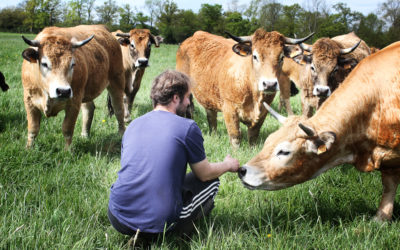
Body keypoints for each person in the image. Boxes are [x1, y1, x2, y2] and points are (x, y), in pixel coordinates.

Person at [108, 70, 240, 242]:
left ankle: (141, 233)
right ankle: (173, 235)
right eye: (187, 97)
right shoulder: (187, 127)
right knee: (212, 181)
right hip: (161, 220)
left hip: (117, 215)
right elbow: (204, 173)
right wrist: (228, 165)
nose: (188, 103)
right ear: (175, 98)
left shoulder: (133, 125)